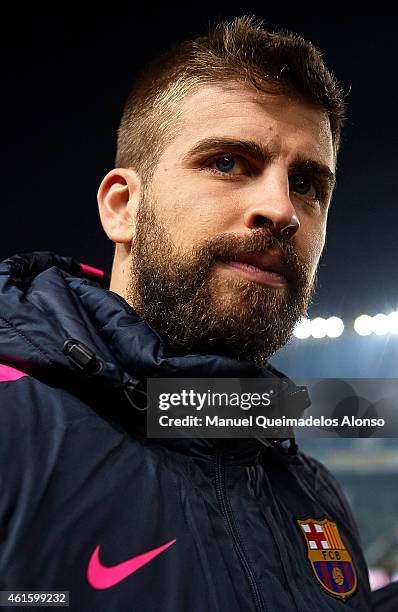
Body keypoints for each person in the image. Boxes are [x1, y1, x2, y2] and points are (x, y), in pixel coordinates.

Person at [0, 15, 390, 611]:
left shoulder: (317, 497)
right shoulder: (15, 429)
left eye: (309, 183)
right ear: (123, 207)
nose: (281, 208)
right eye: (230, 163)